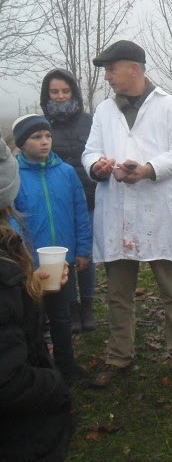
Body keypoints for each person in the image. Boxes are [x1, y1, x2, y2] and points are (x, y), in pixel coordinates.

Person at [82, 39, 172, 386]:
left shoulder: (171, 106)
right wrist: (97, 166)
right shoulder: (104, 111)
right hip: (119, 210)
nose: (107, 76)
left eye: (111, 69)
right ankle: (119, 356)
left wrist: (148, 169)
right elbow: (90, 151)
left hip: (160, 210)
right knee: (118, 292)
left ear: (134, 69)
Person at [0, 134, 74, 461]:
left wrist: (29, 286)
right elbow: (9, 381)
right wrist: (54, 385)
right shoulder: (4, 269)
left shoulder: (9, 267)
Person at [12, 114, 91, 383]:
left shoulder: (66, 173)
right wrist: (21, 258)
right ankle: (38, 370)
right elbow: (12, 218)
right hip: (28, 264)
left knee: (62, 316)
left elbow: (80, 212)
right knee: (33, 317)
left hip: (61, 262)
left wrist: (82, 249)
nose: (44, 141)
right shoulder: (14, 176)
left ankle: (67, 367)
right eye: (36, 137)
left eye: (47, 136)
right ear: (22, 143)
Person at [40, 68, 98, 334]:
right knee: (65, 254)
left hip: (90, 196)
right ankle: (71, 306)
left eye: (65, 90)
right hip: (58, 201)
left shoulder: (90, 122)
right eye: (55, 91)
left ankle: (88, 305)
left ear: (74, 92)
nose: (61, 96)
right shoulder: (43, 126)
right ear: (47, 94)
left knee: (86, 254)